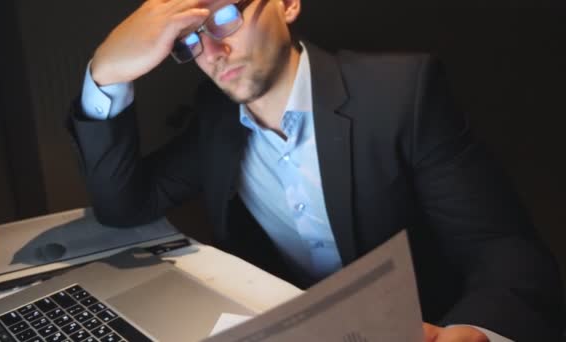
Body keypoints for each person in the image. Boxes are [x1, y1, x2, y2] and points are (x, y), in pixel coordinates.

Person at [66, 0, 564, 340]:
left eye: (223, 16)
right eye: (190, 38)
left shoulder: (402, 93)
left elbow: (506, 252)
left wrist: (474, 330)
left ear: (287, 3)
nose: (212, 52)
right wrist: (105, 71)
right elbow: (124, 204)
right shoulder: (216, 124)